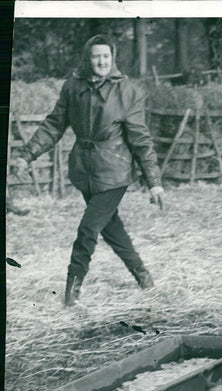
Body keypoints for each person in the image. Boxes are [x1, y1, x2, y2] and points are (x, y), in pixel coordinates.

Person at [12, 34, 165, 307]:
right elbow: (53, 126)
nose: (102, 61)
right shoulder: (73, 87)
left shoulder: (128, 91)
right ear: (88, 58)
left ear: (113, 58)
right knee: (110, 228)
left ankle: (71, 291)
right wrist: (26, 155)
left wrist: (154, 182)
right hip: (84, 171)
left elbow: (141, 139)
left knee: (88, 228)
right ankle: (143, 275)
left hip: (115, 172)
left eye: (106, 56)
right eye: (96, 56)